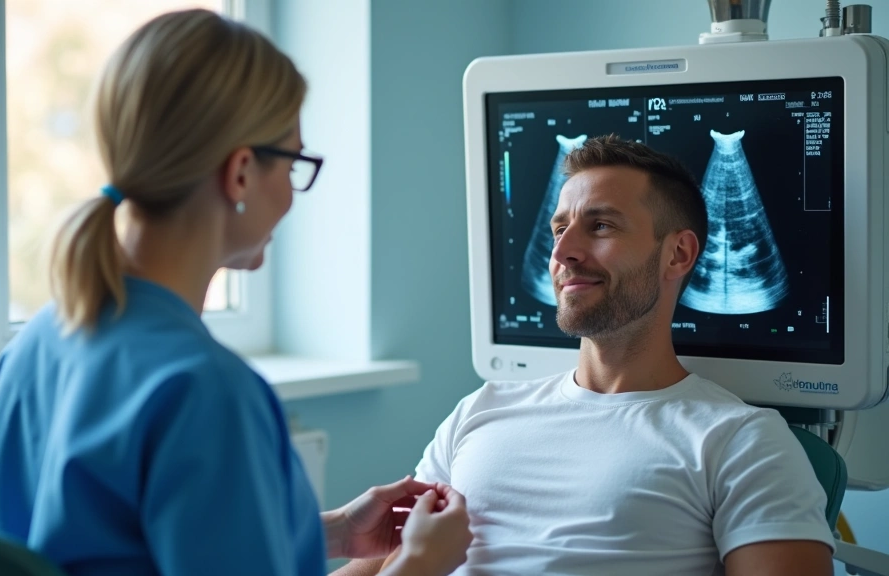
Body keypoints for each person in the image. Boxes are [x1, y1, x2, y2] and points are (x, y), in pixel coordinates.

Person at [0, 9, 472, 576]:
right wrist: (418, 565)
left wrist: (333, 531)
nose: (291, 195)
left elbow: (123, 544)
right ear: (240, 173)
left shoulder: (41, 341)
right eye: (293, 165)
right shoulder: (207, 392)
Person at [335, 135, 835, 576]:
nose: (563, 251)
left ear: (678, 254)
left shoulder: (740, 442)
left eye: (600, 227)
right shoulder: (479, 411)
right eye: (559, 229)